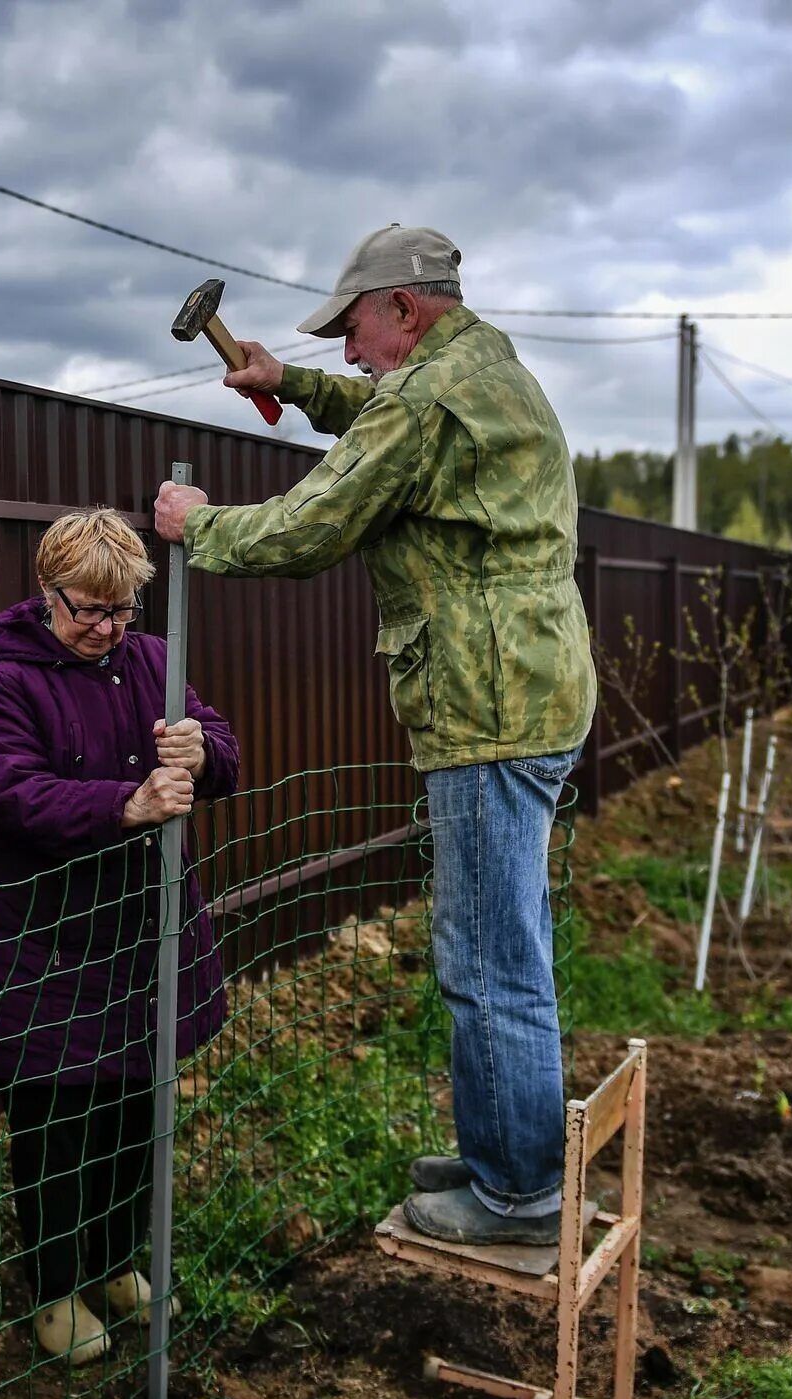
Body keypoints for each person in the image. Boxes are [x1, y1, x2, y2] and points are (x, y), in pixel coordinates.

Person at [153, 224, 595, 1247]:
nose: (346, 354)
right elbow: (385, 410)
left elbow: (314, 523)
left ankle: (520, 1194)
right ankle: (504, 1152)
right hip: (530, 686)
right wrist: (291, 384)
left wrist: (199, 525)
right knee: (502, 945)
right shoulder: (479, 365)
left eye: (353, 331)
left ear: (405, 307)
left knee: (486, 960)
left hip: (486, 704)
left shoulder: (429, 396)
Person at [0, 507, 239, 1364]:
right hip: (45, 940)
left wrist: (199, 750)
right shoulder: (4, 681)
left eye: (120, 613)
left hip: (142, 934)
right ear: (48, 593)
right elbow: (11, 792)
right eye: (88, 610)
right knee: (56, 1125)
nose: (105, 630)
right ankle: (54, 1289)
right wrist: (126, 803)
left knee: (134, 1109)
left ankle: (115, 1260)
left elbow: (222, 748)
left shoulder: (152, 661)